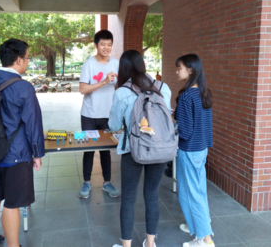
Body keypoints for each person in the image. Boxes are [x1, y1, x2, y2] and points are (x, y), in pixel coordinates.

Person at [0, 38, 45, 247]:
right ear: (18, 60)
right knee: (12, 204)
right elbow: (33, 124)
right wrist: (37, 154)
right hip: (15, 155)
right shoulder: (23, 87)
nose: (27, 61)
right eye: (27, 57)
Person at [109, 50, 172, 247]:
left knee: (128, 198)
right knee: (152, 196)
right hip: (160, 149)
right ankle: (150, 243)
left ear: (124, 69)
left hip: (133, 150)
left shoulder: (122, 92)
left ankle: (126, 245)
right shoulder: (163, 87)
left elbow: (113, 126)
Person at [174, 54, 214, 247]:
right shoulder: (203, 93)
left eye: (179, 68)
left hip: (189, 150)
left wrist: (174, 123)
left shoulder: (186, 95)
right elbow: (203, 125)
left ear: (190, 70)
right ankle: (200, 228)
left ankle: (204, 239)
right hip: (201, 148)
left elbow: (186, 130)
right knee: (199, 191)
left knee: (190, 193)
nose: (176, 71)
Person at [78, 29, 120, 199]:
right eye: (103, 44)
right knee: (88, 148)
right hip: (89, 113)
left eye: (109, 44)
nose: (106, 47)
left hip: (108, 115)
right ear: (96, 45)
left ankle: (107, 182)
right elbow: (82, 89)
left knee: (105, 150)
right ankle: (86, 183)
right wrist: (103, 82)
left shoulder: (116, 64)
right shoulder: (89, 64)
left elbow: (120, 87)